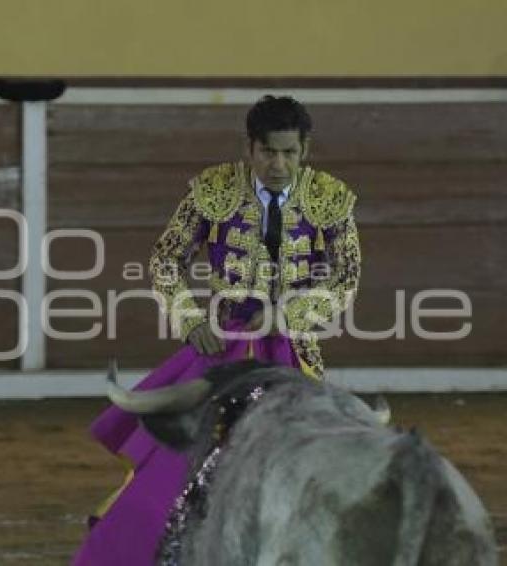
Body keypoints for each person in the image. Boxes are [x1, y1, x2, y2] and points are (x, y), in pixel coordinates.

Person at [72, 95, 361, 565]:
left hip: (293, 351)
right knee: (180, 466)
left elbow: (345, 277)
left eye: (289, 152)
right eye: (269, 151)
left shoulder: (330, 199)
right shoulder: (213, 191)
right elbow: (166, 260)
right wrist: (190, 318)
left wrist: (285, 316)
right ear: (249, 148)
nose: (279, 163)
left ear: (305, 148)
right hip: (224, 346)